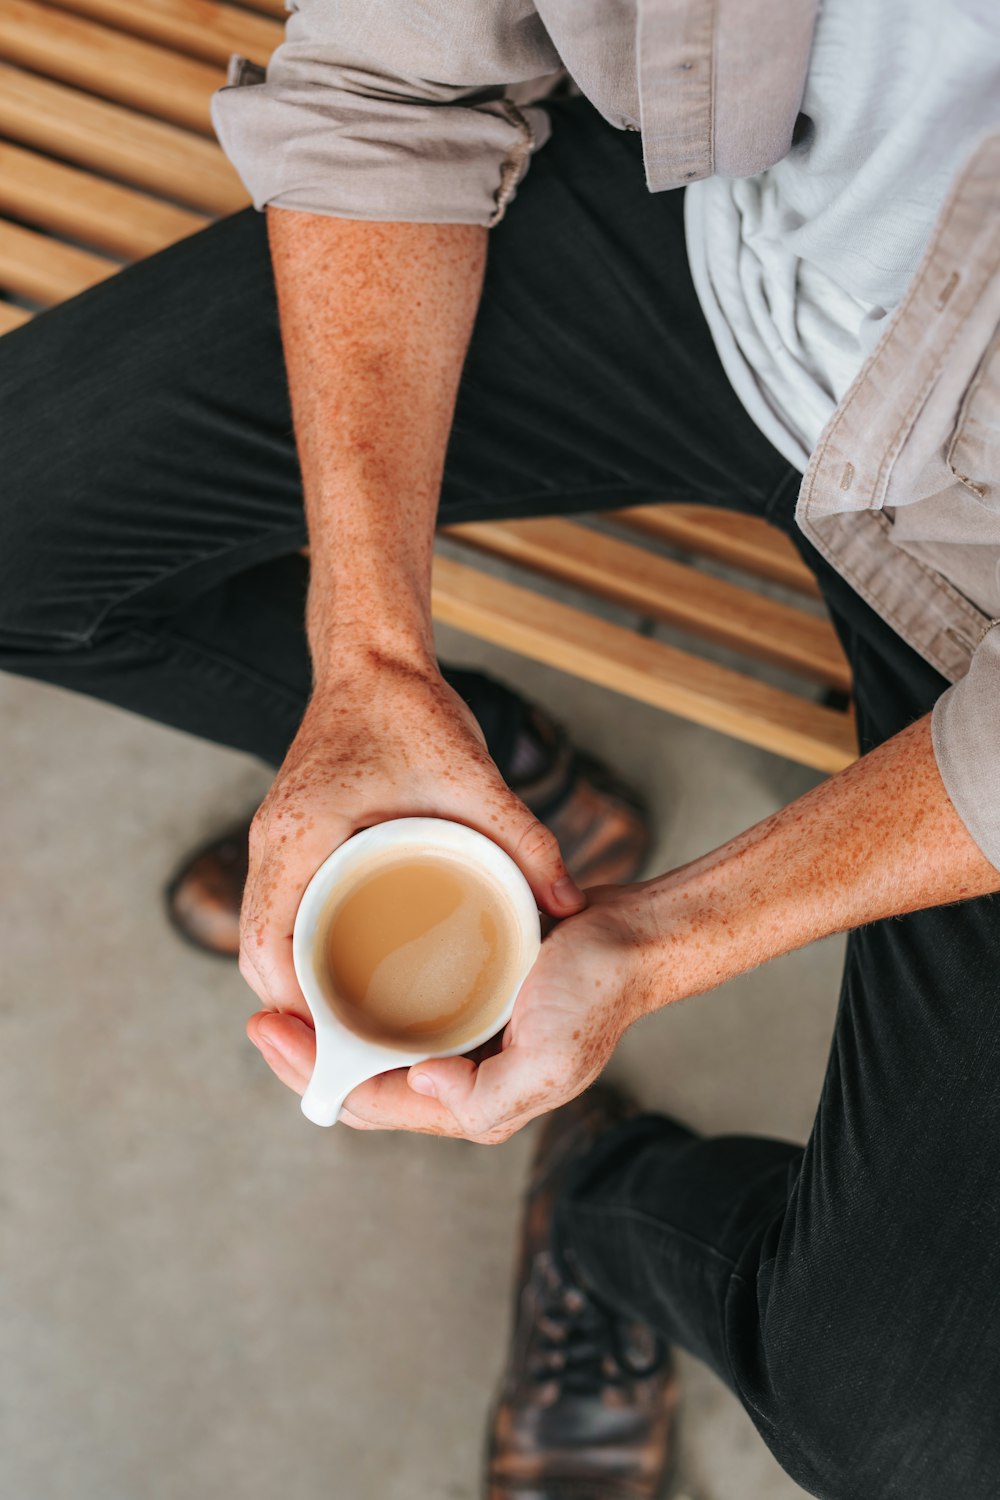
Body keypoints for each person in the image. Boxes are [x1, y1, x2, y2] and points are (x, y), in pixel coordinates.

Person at [2, 0, 999, 1496]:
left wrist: (659, 945)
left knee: (902, 1433)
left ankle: (598, 1204)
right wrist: (371, 658)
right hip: (705, 232)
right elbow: (392, 78)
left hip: (969, 588)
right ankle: (491, 790)